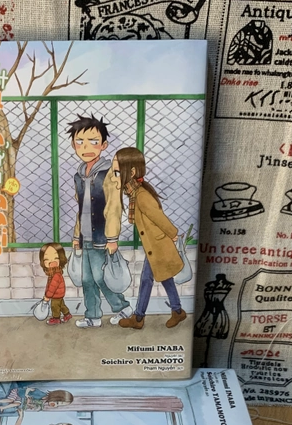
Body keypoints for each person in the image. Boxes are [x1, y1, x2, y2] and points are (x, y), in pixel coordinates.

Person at [111, 147, 187, 330]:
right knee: (160, 278)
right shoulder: (135, 194)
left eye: (117, 172)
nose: (114, 177)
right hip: (153, 245)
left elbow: (159, 217)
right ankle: (175, 311)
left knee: (150, 279)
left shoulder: (142, 196)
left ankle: (140, 317)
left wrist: (173, 233)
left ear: (132, 172)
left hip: (158, 245)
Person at [68, 114, 132, 328]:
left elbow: (114, 207)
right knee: (87, 279)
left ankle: (123, 308)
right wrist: (76, 236)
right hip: (84, 237)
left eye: (93, 141)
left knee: (100, 277)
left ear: (103, 145)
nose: (86, 147)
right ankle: (93, 316)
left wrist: (112, 238)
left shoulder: (109, 174)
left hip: (102, 236)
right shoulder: (79, 175)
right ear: (73, 145)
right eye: (80, 142)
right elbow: (81, 209)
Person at [39, 242, 71, 325]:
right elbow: (49, 286)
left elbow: (52, 287)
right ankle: (67, 314)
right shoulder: (53, 273)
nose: (51, 261)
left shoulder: (55, 275)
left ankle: (56, 318)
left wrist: (47, 296)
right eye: (46, 259)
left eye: (56, 258)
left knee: (54, 306)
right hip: (59, 294)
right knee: (61, 305)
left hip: (56, 294)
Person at [0, 387, 74, 413]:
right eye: (57, 402)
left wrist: (29, 404)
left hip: (20, 397)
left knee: (17, 404)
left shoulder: (42, 400)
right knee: (10, 400)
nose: (55, 405)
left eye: (58, 405)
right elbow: (29, 389)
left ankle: (2, 408)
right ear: (55, 396)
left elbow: (30, 401)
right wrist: (27, 394)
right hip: (18, 392)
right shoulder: (41, 394)